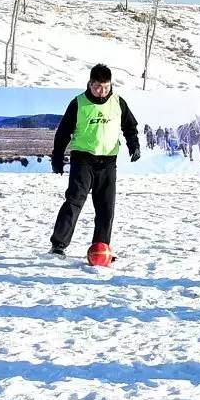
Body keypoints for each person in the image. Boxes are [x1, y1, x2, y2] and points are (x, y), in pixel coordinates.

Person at [50, 64, 142, 258]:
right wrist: (57, 157)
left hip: (108, 162)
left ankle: (101, 248)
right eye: (98, 87)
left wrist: (134, 145)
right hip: (83, 160)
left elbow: (130, 127)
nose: (102, 91)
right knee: (74, 202)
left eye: (106, 87)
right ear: (90, 84)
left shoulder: (118, 102)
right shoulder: (78, 103)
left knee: (106, 208)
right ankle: (58, 244)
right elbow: (63, 132)